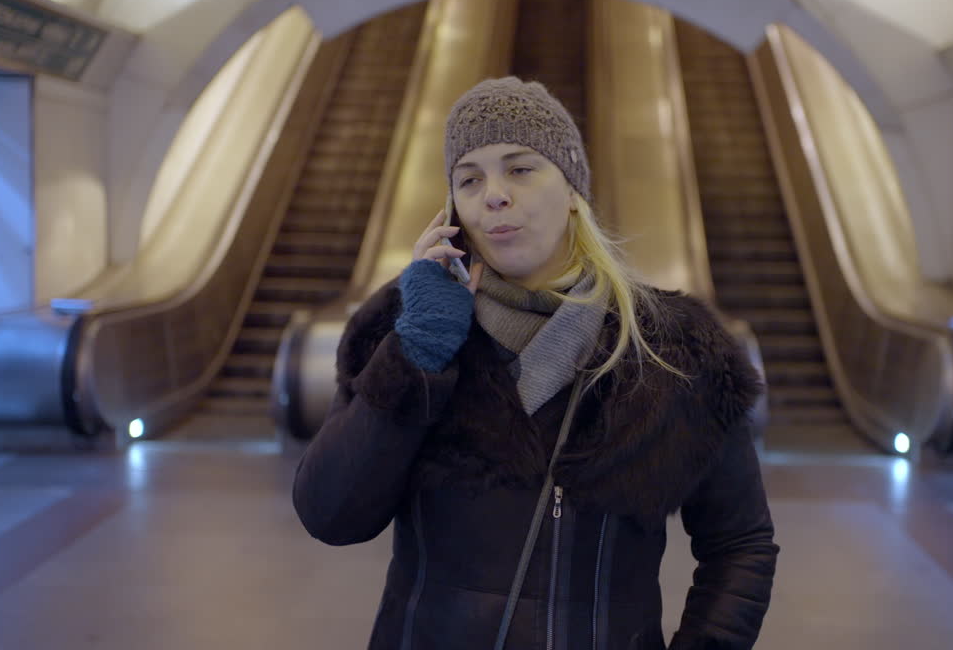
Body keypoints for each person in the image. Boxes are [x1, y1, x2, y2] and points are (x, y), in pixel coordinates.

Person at [292, 77, 778, 649]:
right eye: (469, 179)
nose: (494, 194)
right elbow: (332, 515)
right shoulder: (400, 330)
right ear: (453, 208)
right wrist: (418, 351)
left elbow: (739, 544)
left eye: (520, 169)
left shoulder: (675, 351)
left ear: (573, 191)